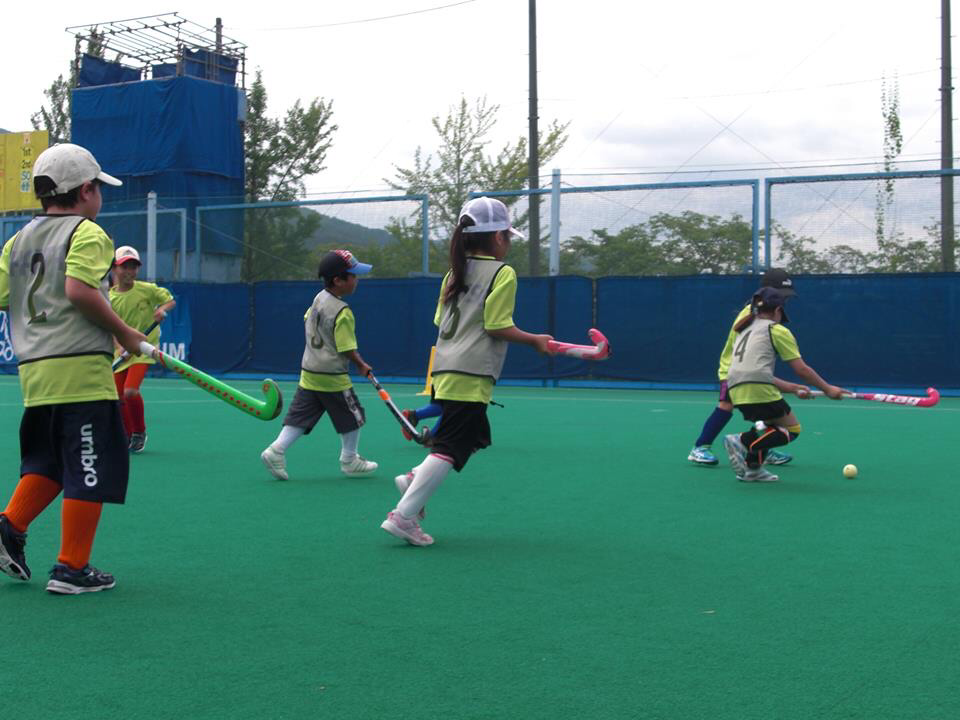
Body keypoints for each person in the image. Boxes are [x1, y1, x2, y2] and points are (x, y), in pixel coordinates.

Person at [0, 143, 147, 594]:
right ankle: (71, 568)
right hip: (80, 373)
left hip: (35, 375)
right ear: (85, 190)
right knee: (90, 467)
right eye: (98, 188)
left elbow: (5, 296)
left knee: (48, 461)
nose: (100, 196)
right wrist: (125, 333)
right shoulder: (87, 232)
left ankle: (8, 527)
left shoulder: (17, 240)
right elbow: (80, 290)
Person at [381, 196, 554, 546]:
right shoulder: (503, 273)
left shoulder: (453, 274)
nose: (508, 242)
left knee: (474, 436)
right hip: (471, 372)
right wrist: (535, 340)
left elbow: (440, 320)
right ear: (499, 237)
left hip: (445, 369)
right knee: (451, 446)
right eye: (508, 236)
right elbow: (496, 325)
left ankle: (415, 477)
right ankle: (404, 516)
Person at [260, 249, 378, 481]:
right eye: (353, 275)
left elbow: (307, 319)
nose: (357, 280)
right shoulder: (343, 311)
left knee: (300, 417)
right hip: (333, 377)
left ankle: (276, 450)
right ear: (338, 280)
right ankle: (350, 460)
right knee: (353, 417)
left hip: (309, 372)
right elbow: (346, 348)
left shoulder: (318, 298)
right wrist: (362, 365)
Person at [722, 287, 845, 482]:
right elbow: (801, 369)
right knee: (792, 430)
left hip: (735, 388)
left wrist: (792, 388)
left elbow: (756, 372)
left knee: (769, 425)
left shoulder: (744, 330)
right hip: (758, 388)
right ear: (778, 310)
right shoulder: (776, 330)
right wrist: (828, 389)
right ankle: (742, 441)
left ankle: (753, 469)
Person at [687, 268, 798, 468]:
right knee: (726, 406)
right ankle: (700, 447)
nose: (785, 299)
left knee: (765, 410)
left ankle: (762, 446)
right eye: (782, 294)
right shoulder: (753, 312)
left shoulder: (760, 311)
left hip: (746, 370)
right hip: (734, 368)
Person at [110, 245, 176, 453]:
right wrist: (119, 347)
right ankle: (126, 435)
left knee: (130, 391)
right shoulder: (109, 298)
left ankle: (139, 432)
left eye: (133, 267)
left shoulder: (146, 289)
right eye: (124, 267)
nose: (129, 271)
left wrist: (161, 310)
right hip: (122, 352)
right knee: (117, 397)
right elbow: (110, 328)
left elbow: (170, 301)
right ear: (114, 268)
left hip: (144, 349)